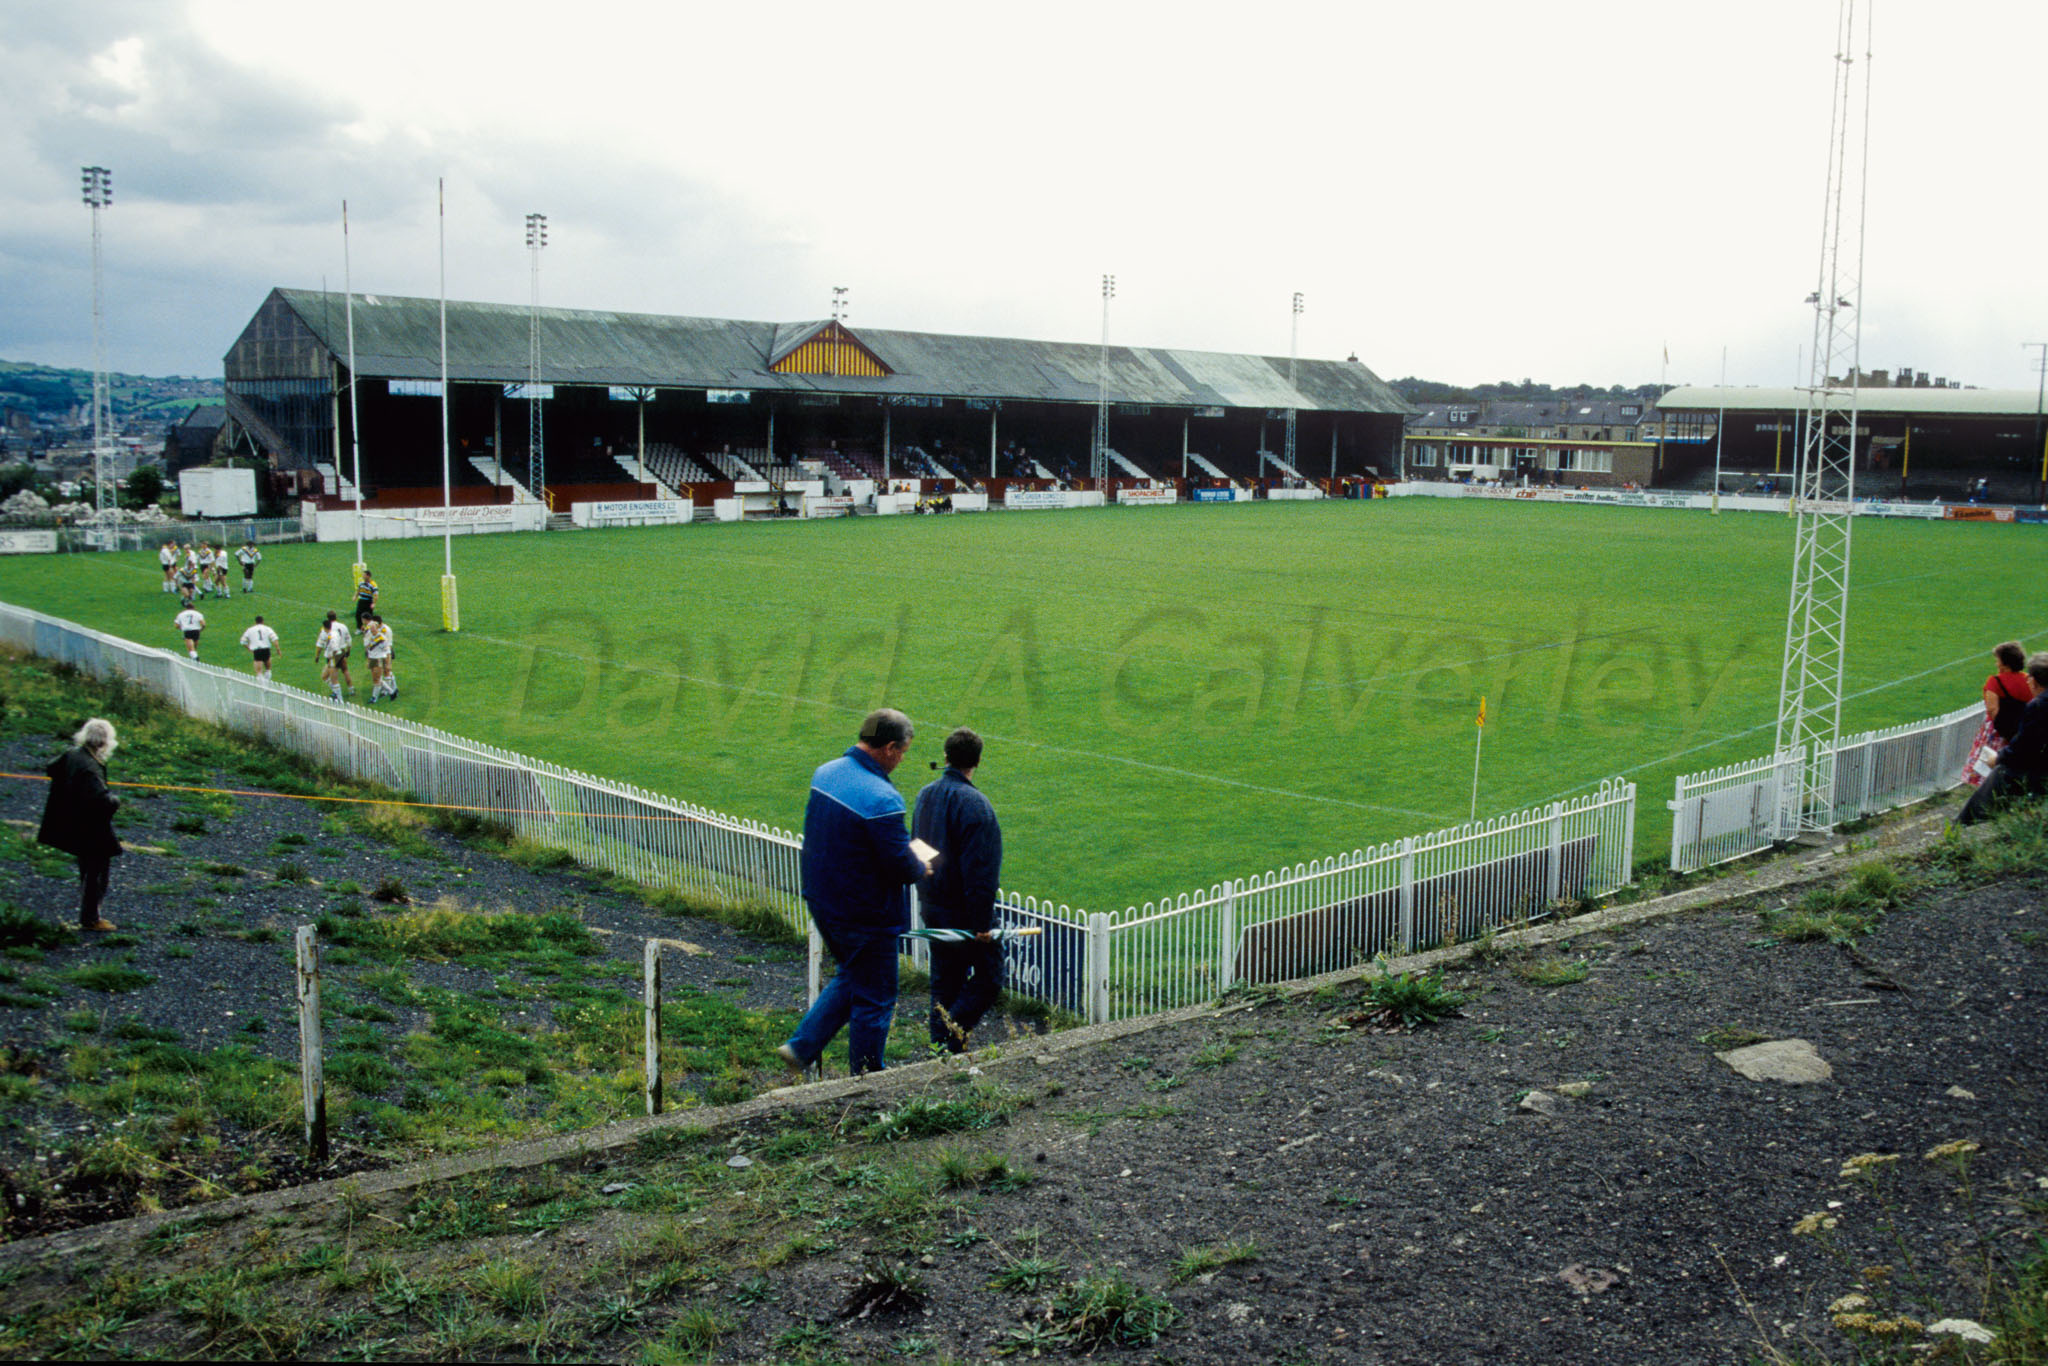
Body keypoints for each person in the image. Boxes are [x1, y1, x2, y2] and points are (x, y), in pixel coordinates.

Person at [777, 708, 930, 1077]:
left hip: (822, 899)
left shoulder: (826, 773)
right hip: (865, 912)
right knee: (876, 997)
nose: (902, 759)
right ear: (890, 748)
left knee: (856, 973)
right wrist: (922, 865)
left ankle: (801, 1047)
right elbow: (899, 863)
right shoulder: (882, 798)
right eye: (903, 752)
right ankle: (866, 1077)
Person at [911, 727, 1005, 1054]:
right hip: (964, 912)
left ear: (946, 757)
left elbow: (918, 848)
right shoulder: (976, 805)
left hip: (933, 904)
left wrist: (927, 892)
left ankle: (941, 1049)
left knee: (945, 981)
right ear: (977, 761)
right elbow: (980, 871)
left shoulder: (925, 795)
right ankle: (951, 1039)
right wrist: (981, 923)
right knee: (990, 978)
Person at [37, 718, 123, 932]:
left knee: (87, 869)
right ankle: (91, 919)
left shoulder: (72, 754)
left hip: (73, 820)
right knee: (97, 873)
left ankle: (89, 917)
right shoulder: (91, 767)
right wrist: (116, 801)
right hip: (91, 827)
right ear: (105, 742)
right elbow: (102, 800)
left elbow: (51, 768)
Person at [1960, 650, 2048, 825]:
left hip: (2034, 770)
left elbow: (2023, 747)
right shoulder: (2034, 699)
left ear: (2035, 681)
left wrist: (1998, 758)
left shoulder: (2038, 705)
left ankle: (1964, 825)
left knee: (2001, 775)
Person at [315, 611, 353, 700]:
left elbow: (320, 644)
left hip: (334, 656)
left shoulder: (326, 631)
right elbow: (349, 639)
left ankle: (339, 697)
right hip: (342, 652)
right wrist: (348, 650)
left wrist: (317, 656)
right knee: (344, 671)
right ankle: (351, 690)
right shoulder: (343, 626)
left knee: (333, 678)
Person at [363, 613, 397, 702]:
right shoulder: (370, 636)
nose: (371, 629)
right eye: (370, 628)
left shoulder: (382, 638)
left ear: (377, 628)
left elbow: (387, 650)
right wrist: (368, 660)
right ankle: (391, 691)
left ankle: (374, 697)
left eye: (373, 628)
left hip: (379, 659)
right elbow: (368, 648)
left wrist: (387, 662)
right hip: (372, 658)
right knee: (375, 678)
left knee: (377, 679)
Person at [239, 614, 279, 681]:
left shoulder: (250, 630)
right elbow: (274, 638)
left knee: (259, 672)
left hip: (257, 650)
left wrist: (249, 648)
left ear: (255, 622)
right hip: (266, 649)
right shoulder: (267, 628)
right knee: (268, 670)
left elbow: (243, 641)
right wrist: (278, 649)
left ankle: (261, 683)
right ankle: (267, 682)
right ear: (263, 621)